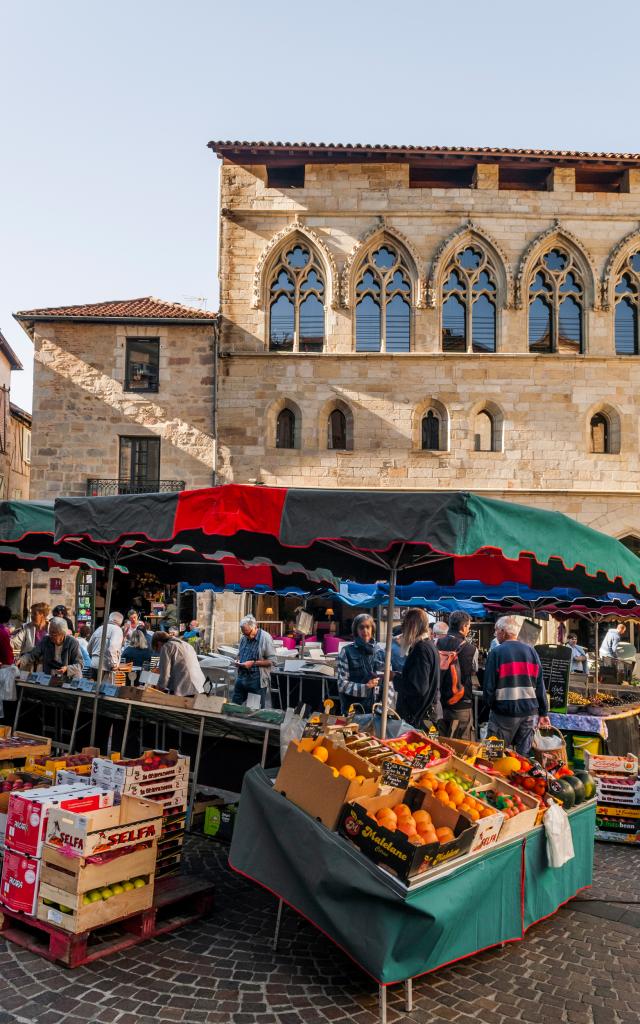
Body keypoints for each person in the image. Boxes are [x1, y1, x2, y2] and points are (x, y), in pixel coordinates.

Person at [483, 615, 550, 756]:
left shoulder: (496, 653)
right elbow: (540, 684)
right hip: (529, 714)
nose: (495, 634)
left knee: (493, 755)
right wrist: (543, 712)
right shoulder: (531, 651)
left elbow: (488, 687)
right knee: (522, 759)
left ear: (502, 631)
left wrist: (490, 706)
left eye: (496, 631)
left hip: (503, 713)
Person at [436, 610, 478, 740]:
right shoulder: (471, 649)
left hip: (438, 703)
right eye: (468, 627)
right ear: (464, 627)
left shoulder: (435, 644)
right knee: (462, 747)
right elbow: (474, 669)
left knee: (440, 744)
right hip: (461, 704)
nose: (468, 629)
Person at [395, 609, 440, 728]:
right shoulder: (428, 645)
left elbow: (418, 688)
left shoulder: (421, 649)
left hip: (419, 717)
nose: (403, 629)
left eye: (404, 625)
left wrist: (395, 678)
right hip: (424, 714)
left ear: (412, 625)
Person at [336, 613, 388, 715]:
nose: (365, 631)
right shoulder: (346, 652)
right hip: (353, 712)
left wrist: (386, 708)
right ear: (356, 630)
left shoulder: (380, 652)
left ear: (372, 629)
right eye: (361, 627)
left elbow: (387, 684)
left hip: (376, 712)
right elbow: (342, 685)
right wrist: (365, 687)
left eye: (368, 627)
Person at [232, 614, 276, 707]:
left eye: (247, 633)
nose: (245, 636)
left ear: (255, 627)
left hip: (256, 679)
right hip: (241, 677)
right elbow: (240, 654)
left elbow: (272, 661)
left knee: (254, 711)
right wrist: (238, 660)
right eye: (243, 633)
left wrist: (253, 663)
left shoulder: (265, 638)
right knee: (234, 706)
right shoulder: (244, 637)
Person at [152, 631, 205, 696]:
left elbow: (165, 674)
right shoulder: (186, 644)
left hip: (185, 689)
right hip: (200, 684)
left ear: (159, 643)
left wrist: (158, 689)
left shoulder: (166, 647)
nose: (158, 652)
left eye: (157, 649)